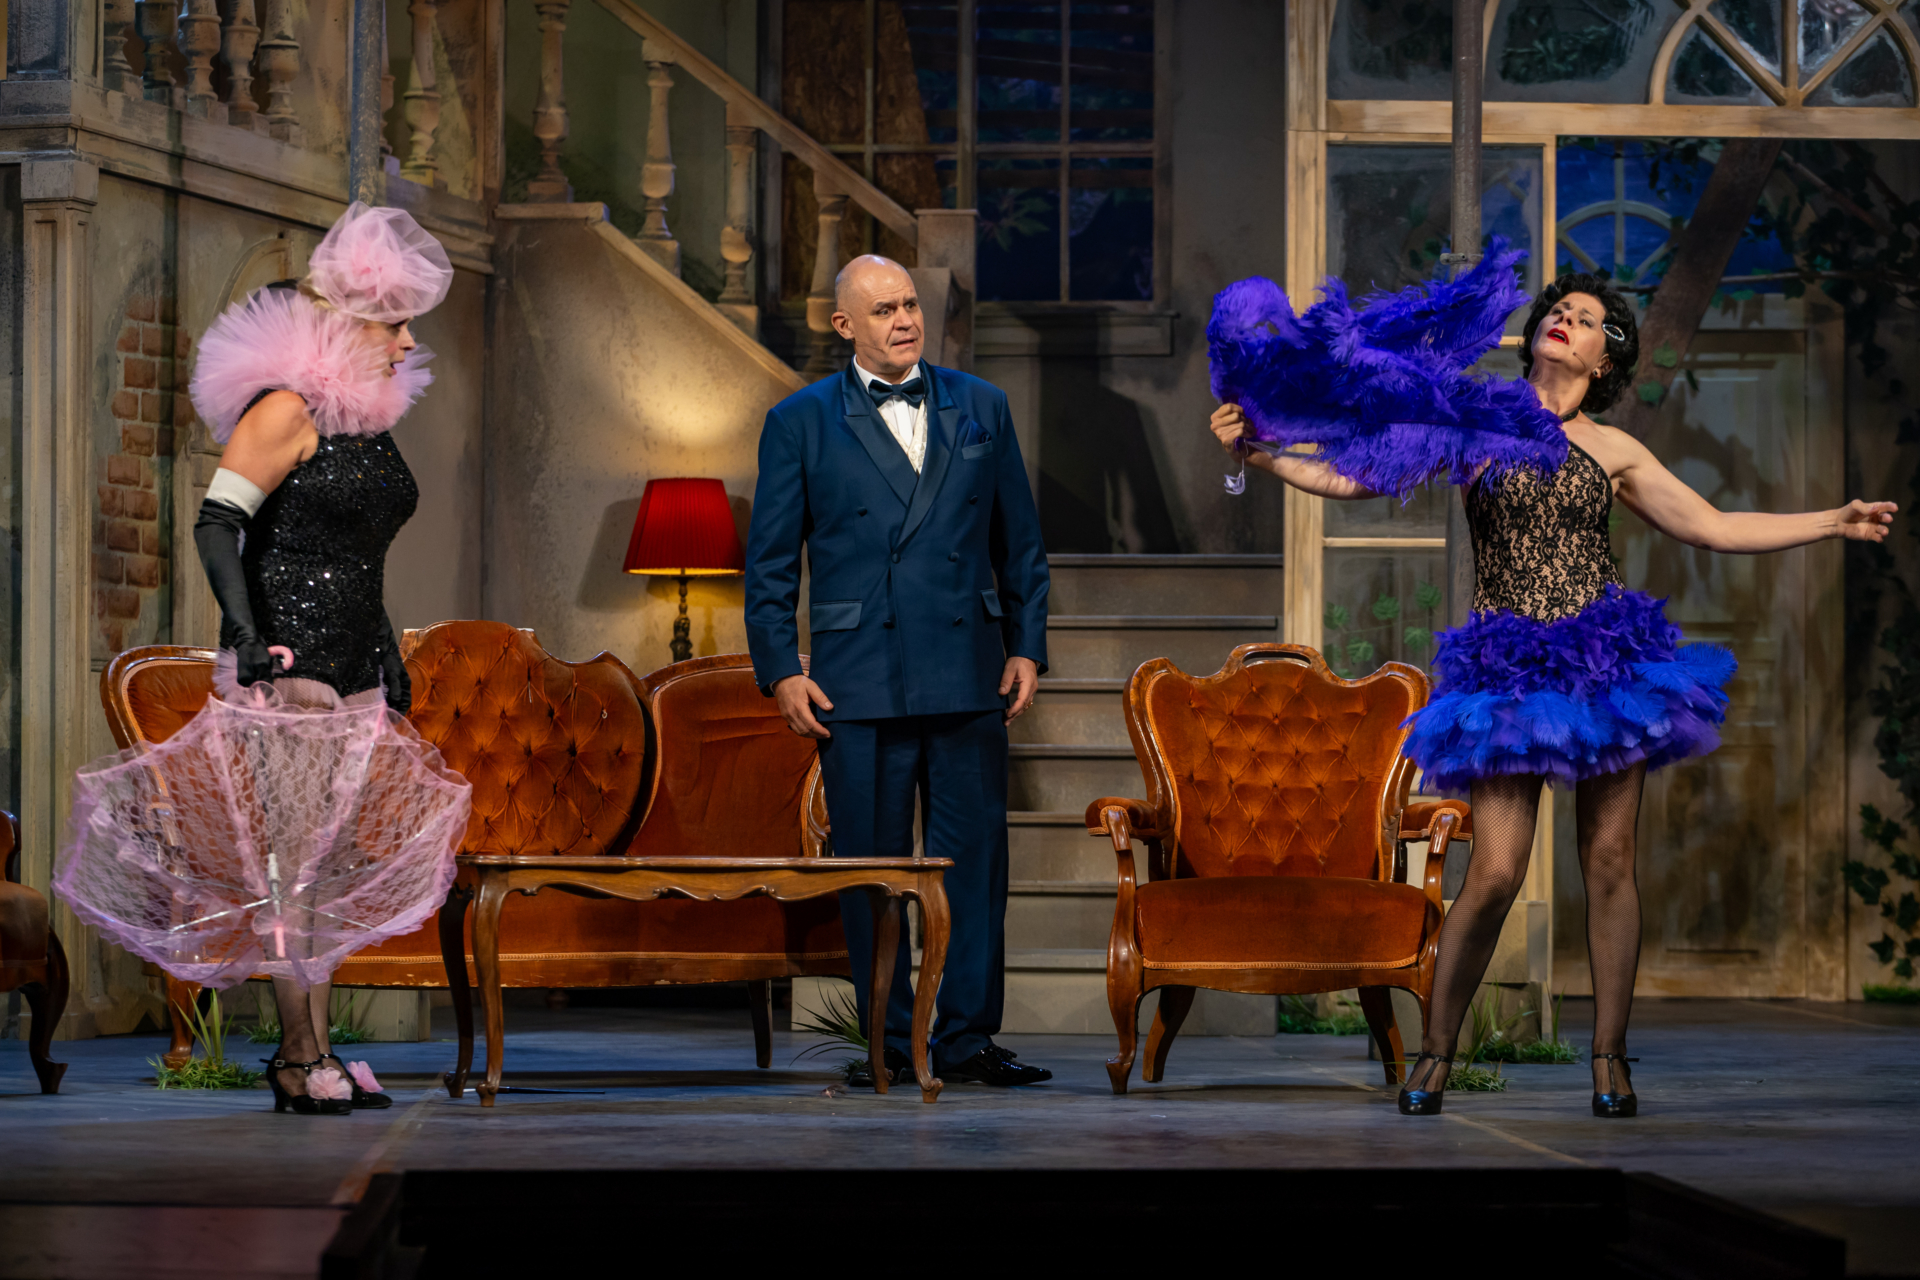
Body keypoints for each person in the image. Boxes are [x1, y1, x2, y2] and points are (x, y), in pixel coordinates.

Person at [1208, 255, 1894, 1118]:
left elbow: (1714, 526)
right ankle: (1435, 1055)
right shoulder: (1477, 421)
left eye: (1587, 318)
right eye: (1557, 310)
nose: (1566, 319)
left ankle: (1609, 1060)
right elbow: (1351, 476)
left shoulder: (1614, 449)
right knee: (1496, 872)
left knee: (1608, 862)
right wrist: (1258, 453)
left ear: (1604, 361)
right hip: (1507, 674)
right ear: (1535, 333)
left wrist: (1834, 520)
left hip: (1608, 668)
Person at [58, 203, 471, 1116]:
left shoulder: (363, 422)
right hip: (288, 663)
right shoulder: (284, 411)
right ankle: (297, 1055)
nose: (408, 343)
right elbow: (218, 523)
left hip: (352, 665)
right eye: (395, 325)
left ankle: (313, 1050)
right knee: (293, 868)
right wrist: (245, 637)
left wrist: (384, 644)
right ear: (346, 324)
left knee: (325, 869)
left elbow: (355, 554)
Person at [745, 254, 1052, 1086]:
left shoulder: (981, 405)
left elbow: (1020, 544)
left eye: (910, 303)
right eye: (884, 310)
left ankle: (966, 1040)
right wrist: (780, 669)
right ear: (843, 325)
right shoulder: (799, 420)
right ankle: (886, 1043)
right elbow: (769, 564)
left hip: (968, 670)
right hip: (857, 677)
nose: (906, 320)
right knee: (872, 873)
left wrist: (1027, 645)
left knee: (975, 868)